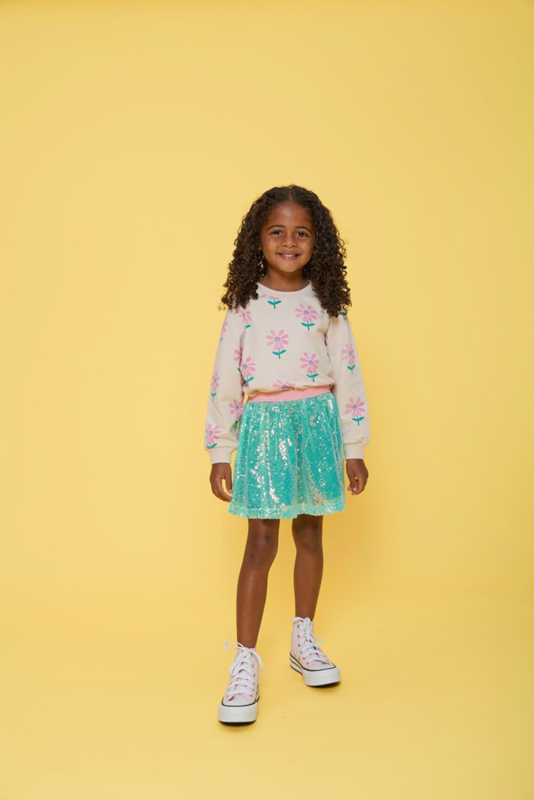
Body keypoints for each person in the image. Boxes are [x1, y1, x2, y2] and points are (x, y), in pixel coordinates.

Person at [204, 185, 370, 725]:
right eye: (277, 231)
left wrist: (353, 446)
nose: (289, 241)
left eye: (302, 232)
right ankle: (245, 660)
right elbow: (225, 379)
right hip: (264, 425)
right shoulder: (244, 306)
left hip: (318, 423)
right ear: (257, 238)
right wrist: (222, 449)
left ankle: (303, 638)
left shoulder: (328, 304)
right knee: (260, 540)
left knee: (310, 533)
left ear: (318, 242)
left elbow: (348, 375)